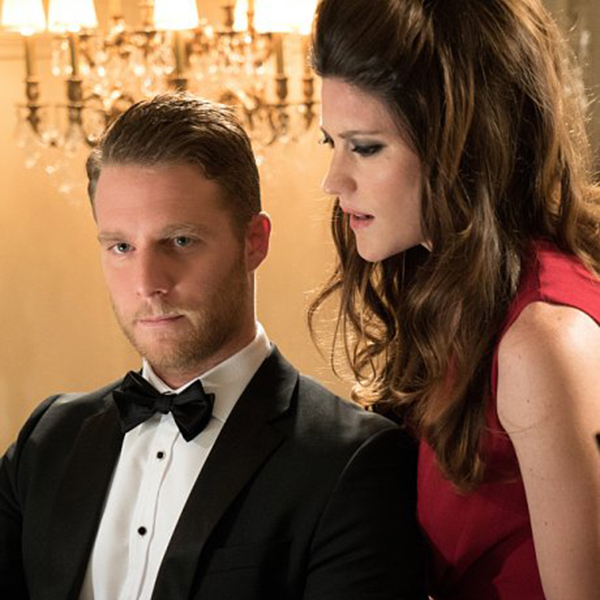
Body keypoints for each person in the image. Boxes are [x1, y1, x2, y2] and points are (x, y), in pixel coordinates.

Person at [0, 93, 427, 600]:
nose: (148, 283)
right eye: (121, 247)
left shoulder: (354, 459)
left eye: (180, 241)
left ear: (254, 241)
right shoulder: (47, 440)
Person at [308, 1, 600, 599]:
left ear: (463, 144)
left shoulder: (542, 341)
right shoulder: (451, 294)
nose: (333, 180)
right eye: (330, 142)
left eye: (365, 147)